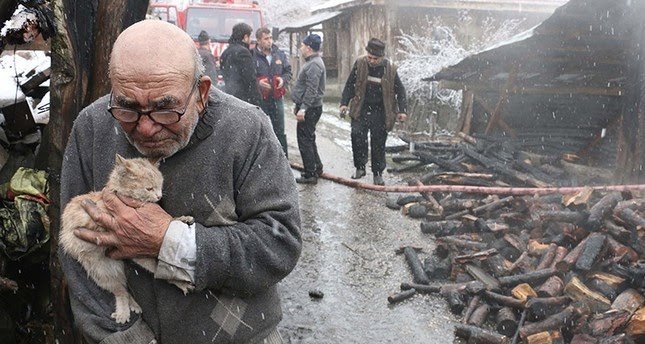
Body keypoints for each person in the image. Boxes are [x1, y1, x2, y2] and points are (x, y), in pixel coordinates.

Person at [59, 20, 301, 344]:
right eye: (128, 107)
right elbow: (75, 252)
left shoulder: (247, 129)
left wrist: (170, 243)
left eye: (164, 109)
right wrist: (123, 338)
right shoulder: (92, 126)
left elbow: (279, 244)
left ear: (201, 93)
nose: (145, 128)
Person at [339, 38, 407, 185]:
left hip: (381, 111)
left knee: (378, 143)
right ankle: (360, 167)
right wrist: (344, 103)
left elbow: (400, 91)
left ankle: (377, 173)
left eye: (375, 58)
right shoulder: (360, 63)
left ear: (382, 57)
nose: (372, 61)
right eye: (369, 57)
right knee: (357, 136)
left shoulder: (390, 69)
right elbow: (350, 84)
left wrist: (402, 110)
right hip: (361, 109)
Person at [291, 34, 325, 184]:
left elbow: (312, 89)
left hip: (310, 108)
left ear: (309, 48)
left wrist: (303, 108)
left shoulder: (314, 65)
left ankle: (310, 174)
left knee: (304, 140)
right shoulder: (313, 62)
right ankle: (316, 167)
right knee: (309, 138)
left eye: (303, 45)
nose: (301, 48)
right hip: (310, 107)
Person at [254, 27, 292, 157]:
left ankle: (283, 159)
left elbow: (288, 72)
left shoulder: (279, 54)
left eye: (270, 38)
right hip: (261, 99)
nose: (269, 41)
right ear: (258, 40)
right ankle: (264, 158)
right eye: (266, 39)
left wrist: (283, 79)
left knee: (280, 130)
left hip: (277, 99)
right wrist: (258, 83)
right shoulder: (252, 56)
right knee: (262, 130)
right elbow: (248, 77)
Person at [219, 22, 261, 105]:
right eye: (250, 37)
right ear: (245, 37)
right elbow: (250, 79)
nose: (251, 40)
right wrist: (257, 99)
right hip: (243, 99)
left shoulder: (225, 52)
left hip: (229, 97)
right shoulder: (244, 53)